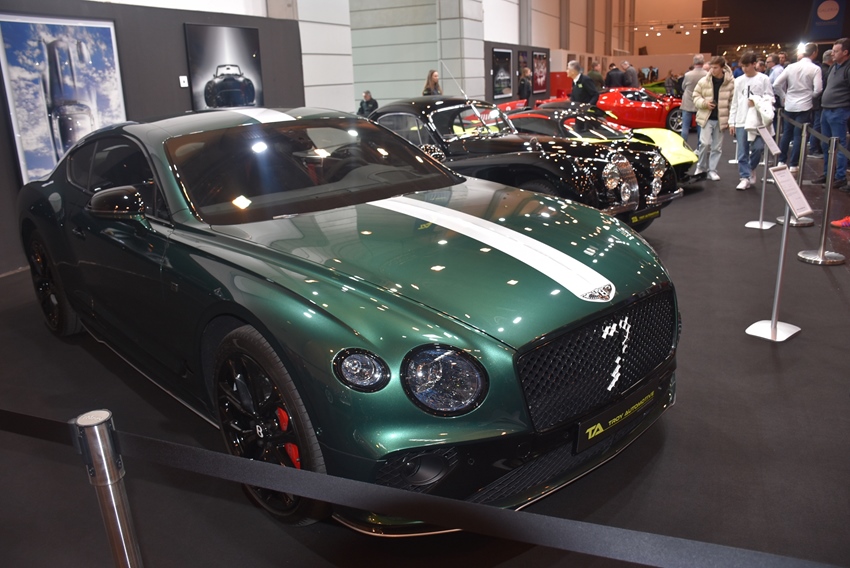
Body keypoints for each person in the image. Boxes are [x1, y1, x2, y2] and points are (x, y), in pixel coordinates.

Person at [729, 51, 775, 190]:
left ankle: (751, 168)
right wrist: (732, 122)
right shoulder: (738, 81)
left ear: (754, 64)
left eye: (747, 65)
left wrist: (757, 101)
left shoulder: (764, 79)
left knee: (758, 148)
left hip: (758, 121)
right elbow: (735, 102)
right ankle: (744, 177)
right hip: (741, 119)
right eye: (742, 66)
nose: (744, 69)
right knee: (742, 150)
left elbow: (770, 98)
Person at [773, 43, 822, 172]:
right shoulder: (815, 69)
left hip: (789, 104)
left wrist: (784, 96)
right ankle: (794, 164)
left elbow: (776, 84)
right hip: (805, 105)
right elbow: (818, 89)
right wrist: (810, 96)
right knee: (798, 135)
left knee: (786, 133)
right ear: (814, 53)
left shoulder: (791, 67)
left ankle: (781, 161)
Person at [692, 56, 734, 181]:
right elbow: (695, 96)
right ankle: (700, 167)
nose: (712, 70)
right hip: (706, 117)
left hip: (721, 119)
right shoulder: (704, 81)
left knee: (717, 147)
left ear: (722, 68)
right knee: (704, 143)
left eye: (715, 68)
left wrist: (731, 120)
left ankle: (712, 170)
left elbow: (733, 102)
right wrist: (704, 103)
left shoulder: (731, 82)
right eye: (711, 67)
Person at [816, 38, 850, 194]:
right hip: (826, 110)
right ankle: (828, 173)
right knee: (826, 145)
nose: (832, 53)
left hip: (839, 111)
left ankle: (839, 176)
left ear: (845, 52)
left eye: (836, 51)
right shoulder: (833, 67)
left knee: (839, 146)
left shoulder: (848, 68)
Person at [809, 49, 833, 157]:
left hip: (817, 101)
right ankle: (814, 148)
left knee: (817, 124)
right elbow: (820, 88)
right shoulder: (825, 71)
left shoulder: (820, 69)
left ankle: (814, 147)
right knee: (818, 125)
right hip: (820, 102)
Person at [680, 55, 707, 144]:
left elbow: (683, 86)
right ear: (703, 62)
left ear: (694, 62)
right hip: (700, 103)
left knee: (685, 127)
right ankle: (700, 147)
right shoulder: (706, 74)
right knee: (700, 127)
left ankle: (683, 146)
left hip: (688, 102)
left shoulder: (688, 75)